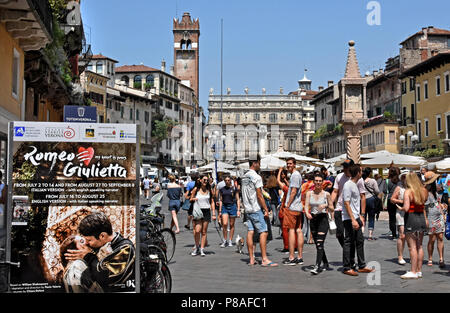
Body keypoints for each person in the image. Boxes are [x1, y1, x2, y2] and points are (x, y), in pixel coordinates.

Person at [64, 212, 135, 291]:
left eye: (89, 240)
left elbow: (105, 278)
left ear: (102, 236)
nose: (86, 243)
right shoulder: (98, 245)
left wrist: (88, 256)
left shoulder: (126, 248)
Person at [241, 155, 278, 267]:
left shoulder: (244, 176)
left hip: (247, 208)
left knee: (250, 231)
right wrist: (266, 209)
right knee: (264, 232)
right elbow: (259, 195)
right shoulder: (256, 177)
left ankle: (251, 259)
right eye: (259, 162)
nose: (260, 165)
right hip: (256, 208)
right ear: (255, 163)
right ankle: (264, 259)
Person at [341, 164, 374, 276]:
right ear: (358, 173)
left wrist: (360, 215)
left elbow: (355, 203)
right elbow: (346, 203)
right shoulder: (348, 185)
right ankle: (347, 266)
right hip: (349, 218)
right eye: (361, 171)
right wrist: (352, 219)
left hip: (356, 216)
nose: (362, 172)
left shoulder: (355, 184)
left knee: (359, 241)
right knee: (348, 242)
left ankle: (361, 265)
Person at [331, 159, 367, 248]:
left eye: (347, 167)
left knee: (352, 235)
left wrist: (362, 214)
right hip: (339, 208)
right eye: (344, 167)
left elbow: (363, 197)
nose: (345, 169)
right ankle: (347, 249)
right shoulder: (339, 177)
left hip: (352, 210)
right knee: (339, 233)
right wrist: (330, 204)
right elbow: (335, 191)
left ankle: (350, 254)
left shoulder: (358, 179)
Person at [398, 172, 428, 279]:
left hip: (411, 218)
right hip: (421, 218)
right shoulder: (424, 191)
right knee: (420, 246)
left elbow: (406, 208)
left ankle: (413, 271)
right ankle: (419, 270)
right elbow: (424, 205)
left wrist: (400, 208)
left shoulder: (408, 191)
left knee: (412, 247)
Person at [304, 174, 334, 274]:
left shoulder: (327, 194)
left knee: (320, 242)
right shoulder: (309, 193)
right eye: (316, 180)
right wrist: (307, 213)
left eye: (320, 181)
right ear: (313, 182)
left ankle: (317, 266)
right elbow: (306, 205)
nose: (318, 182)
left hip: (323, 219)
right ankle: (325, 263)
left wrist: (325, 205)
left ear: (322, 182)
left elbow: (332, 208)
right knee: (318, 244)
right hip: (313, 219)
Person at [282, 157, 304, 266]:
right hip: (298, 207)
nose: (288, 165)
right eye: (287, 164)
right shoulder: (297, 175)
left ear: (294, 164)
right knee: (298, 230)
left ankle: (291, 257)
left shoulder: (295, 175)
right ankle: (300, 257)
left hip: (293, 207)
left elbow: (294, 191)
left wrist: (288, 204)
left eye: (290, 164)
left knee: (291, 230)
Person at [424, 172, 447, 269]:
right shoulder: (425, 191)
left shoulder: (436, 191)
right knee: (432, 239)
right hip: (431, 217)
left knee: (440, 237)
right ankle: (430, 258)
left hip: (439, 217)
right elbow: (423, 207)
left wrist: (442, 214)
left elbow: (438, 203)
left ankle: (441, 258)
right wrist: (425, 219)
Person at [190, 175, 216, 256]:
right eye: (204, 180)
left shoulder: (209, 190)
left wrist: (214, 213)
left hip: (206, 211)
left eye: (207, 180)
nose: (205, 181)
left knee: (204, 232)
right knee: (197, 231)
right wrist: (195, 199)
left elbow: (212, 201)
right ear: (200, 180)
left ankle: (202, 249)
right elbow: (190, 198)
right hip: (198, 210)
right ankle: (197, 246)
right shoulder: (196, 189)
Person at [277, 167, 296, 253]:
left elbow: (278, 181)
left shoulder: (286, 189)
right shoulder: (293, 190)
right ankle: (294, 246)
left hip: (284, 210)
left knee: (285, 230)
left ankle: (286, 246)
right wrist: (285, 179)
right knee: (293, 229)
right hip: (292, 210)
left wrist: (280, 171)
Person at [391, 171, 408, 265]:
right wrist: (401, 201)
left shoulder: (412, 187)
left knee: (411, 236)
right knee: (402, 235)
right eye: (404, 176)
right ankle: (400, 256)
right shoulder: (399, 187)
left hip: (411, 212)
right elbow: (392, 199)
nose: (406, 178)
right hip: (401, 212)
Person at [218, 176, 241, 247]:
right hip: (224, 207)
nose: (227, 181)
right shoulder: (222, 189)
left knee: (231, 224)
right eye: (226, 180)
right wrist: (220, 210)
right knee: (224, 224)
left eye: (228, 180)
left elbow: (237, 199)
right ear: (224, 181)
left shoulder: (234, 189)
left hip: (232, 206)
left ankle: (230, 240)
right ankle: (225, 240)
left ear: (230, 181)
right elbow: (221, 200)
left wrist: (238, 210)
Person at [380, 167, 401, 239]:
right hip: (399, 200)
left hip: (390, 200)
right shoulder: (400, 181)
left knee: (392, 218)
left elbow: (385, 191)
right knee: (400, 216)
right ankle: (400, 232)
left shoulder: (387, 181)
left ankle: (394, 234)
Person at [362, 168, 380, 240]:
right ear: (370, 173)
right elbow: (377, 191)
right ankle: (370, 235)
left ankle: (361, 233)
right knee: (371, 218)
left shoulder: (360, 181)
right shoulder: (373, 181)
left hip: (362, 200)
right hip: (371, 200)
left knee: (362, 217)